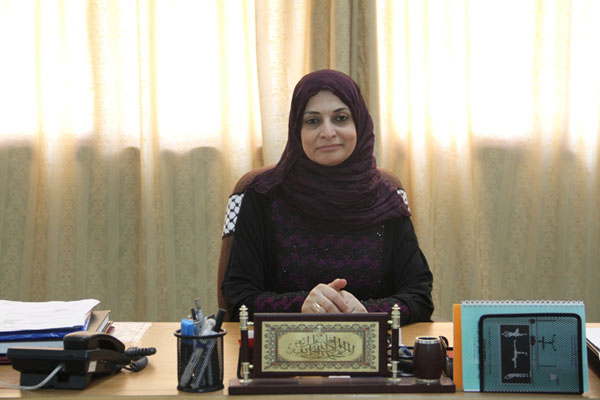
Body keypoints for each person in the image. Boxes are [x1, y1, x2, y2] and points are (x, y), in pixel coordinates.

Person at [221, 70, 433, 325]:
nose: (328, 132)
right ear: (296, 130)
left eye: (340, 118)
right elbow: (238, 299)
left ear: (359, 124)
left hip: (372, 346)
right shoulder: (262, 197)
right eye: (313, 121)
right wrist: (301, 305)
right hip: (285, 346)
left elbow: (419, 298)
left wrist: (368, 313)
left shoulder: (386, 201)